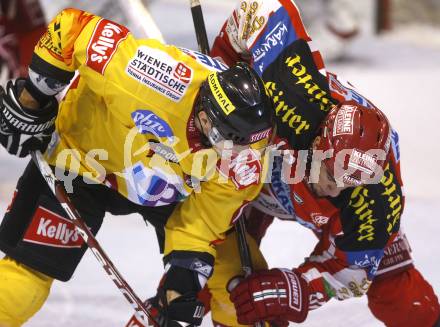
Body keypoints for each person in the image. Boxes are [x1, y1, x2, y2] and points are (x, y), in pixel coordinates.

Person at [0, 7, 275, 327]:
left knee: (239, 284)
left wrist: (181, 282)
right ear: (204, 117)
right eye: (229, 141)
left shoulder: (247, 156)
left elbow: (201, 223)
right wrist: (34, 97)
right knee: (23, 288)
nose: (238, 155)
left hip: (168, 189)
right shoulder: (148, 75)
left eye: (247, 145)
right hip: (77, 160)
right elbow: (71, 27)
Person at [199, 0, 440, 326]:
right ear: (317, 140)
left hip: (321, 210)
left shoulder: (376, 201)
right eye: (330, 172)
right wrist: (219, 74)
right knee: (204, 255)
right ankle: (165, 309)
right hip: (258, 166)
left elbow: (351, 273)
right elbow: (260, 9)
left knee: (397, 293)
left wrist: (296, 287)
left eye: (348, 183)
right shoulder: (294, 88)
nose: (334, 187)